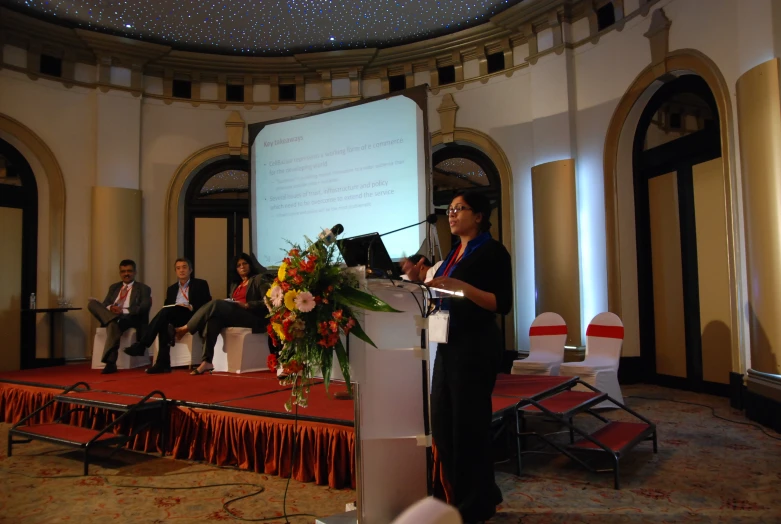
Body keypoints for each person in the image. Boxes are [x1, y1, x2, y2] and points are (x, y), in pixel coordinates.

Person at [427, 191, 512, 523]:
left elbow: (501, 302)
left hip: (475, 346)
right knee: (444, 424)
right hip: (447, 343)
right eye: (449, 210)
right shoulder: (453, 254)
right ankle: (455, 496)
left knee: (469, 426)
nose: (451, 215)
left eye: (459, 209)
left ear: (478, 216)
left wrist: (459, 288)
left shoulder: (492, 252)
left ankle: (474, 506)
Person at [175, 252, 271, 375]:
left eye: (245, 263)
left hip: (253, 317)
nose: (242, 266)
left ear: (250, 265)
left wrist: (247, 305)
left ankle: (185, 328)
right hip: (237, 315)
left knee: (216, 303)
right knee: (213, 320)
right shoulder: (235, 285)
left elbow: (268, 302)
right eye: (238, 265)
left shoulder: (259, 279)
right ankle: (207, 361)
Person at [123, 257, 212, 374]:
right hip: (175, 316)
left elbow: (207, 303)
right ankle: (162, 364)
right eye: (178, 268)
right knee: (164, 321)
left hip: (192, 315)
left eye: (184, 267)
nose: (181, 270)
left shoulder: (200, 284)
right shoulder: (172, 289)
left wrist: (191, 306)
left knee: (164, 315)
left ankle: (143, 345)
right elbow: (167, 306)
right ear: (175, 271)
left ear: (190, 270)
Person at [87, 259, 153, 375]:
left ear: (135, 272)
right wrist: (111, 308)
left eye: (129, 271)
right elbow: (105, 304)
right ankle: (112, 319)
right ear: (120, 273)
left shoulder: (143, 288)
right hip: (113, 315)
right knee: (92, 304)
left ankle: (111, 363)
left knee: (113, 324)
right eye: (123, 271)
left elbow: (143, 307)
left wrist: (123, 310)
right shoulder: (114, 287)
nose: (126, 274)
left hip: (130, 318)